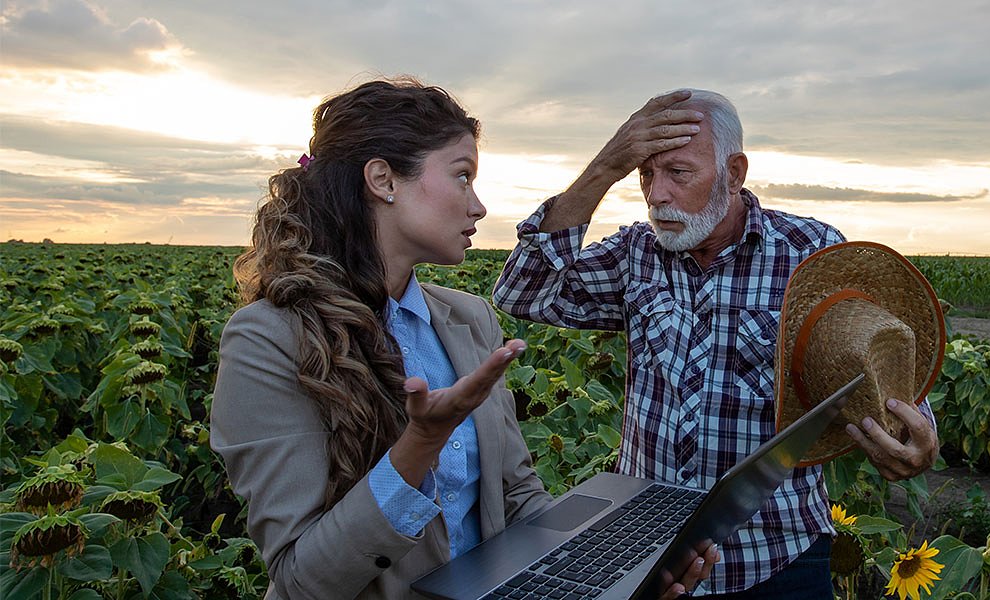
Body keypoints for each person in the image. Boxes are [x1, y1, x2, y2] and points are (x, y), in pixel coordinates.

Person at [210, 79, 713, 599]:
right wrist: (420, 444)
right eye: (462, 177)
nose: (478, 207)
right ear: (384, 180)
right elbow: (301, 579)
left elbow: (516, 499)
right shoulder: (267, 339)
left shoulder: (468, 319)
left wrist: (612, 579)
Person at [492, 89, 941, 598]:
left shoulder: (806, 252)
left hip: (775, 555)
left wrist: (914, 434)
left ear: (734, 172)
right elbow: (522, 293)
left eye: (678, 173)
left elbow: (873, 356)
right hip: (652, 553)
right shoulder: (634, 254)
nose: (657, 193)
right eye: (644, 174)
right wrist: (604, 167)